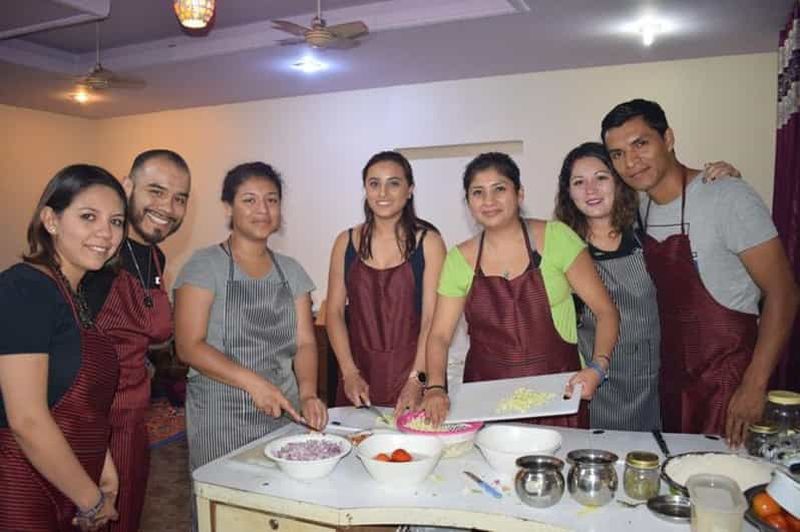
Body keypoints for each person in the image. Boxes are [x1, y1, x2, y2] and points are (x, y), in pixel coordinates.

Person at [602, 98, 799, 445]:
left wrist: (755, 384)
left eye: (640, 144)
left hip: (728, 381)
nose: (630, 162)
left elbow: (784, 293)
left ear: (669, 139)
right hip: (670, 381)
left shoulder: (727, 196)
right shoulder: (637, 207)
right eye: (617, 154)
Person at [421, 152, 619, 427]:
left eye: (499, 189)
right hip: (487, 402)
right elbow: (440, 335)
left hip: (558, 396)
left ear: (519, 193)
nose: (489, 201)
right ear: (468, 203)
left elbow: (605, 311)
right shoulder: (459, 259)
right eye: (478, 192)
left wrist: (597, 367)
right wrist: (435, 388)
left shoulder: (557, 238)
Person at [554, 142, 741, 431]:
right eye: (579, 182)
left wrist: (723, 180)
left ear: (618, 181)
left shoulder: (648, 223)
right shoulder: (561, 249)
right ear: (568, 193)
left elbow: (694, 202)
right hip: (595, 384)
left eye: (601, 178)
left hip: (654, 380)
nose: (590, 190)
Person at [174, 161, 327, 475]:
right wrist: (254, 384)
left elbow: (305, 343)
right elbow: (189, 347)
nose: (263, 209)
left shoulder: (292, 270)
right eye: (249, 200)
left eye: (271, 200)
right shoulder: (204, 265)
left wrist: (309, 392)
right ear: (228, 207)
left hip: (284, 408)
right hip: (222, 415)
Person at [0, 164, 127, 530]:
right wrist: (91, 501)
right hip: (22, 488)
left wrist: (103, 468)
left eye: (116, 221)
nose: (106, 233)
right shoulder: (25, 289)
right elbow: (27, 420)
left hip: (71, 482)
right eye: (88, 217)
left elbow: (80, 405)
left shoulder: (74, 295)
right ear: (50, 221)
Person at [81, 149, 191, 532]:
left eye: (180, 198)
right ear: (126, 187)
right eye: (156, 191)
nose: (168, 207)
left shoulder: (156, 259)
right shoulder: (98, 255)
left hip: (133, 422)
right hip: (88, 424)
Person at [326, 151, 446, 415]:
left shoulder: (430, 243)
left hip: (416, 372)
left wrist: (417, 379)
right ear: (365, 189)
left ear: (409, 190)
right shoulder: (344, 242)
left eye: (394, 183)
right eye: (374, 183)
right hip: (358, 376)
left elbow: (431, 320)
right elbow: (333, 313)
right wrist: (348, 372)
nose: (383, 193)